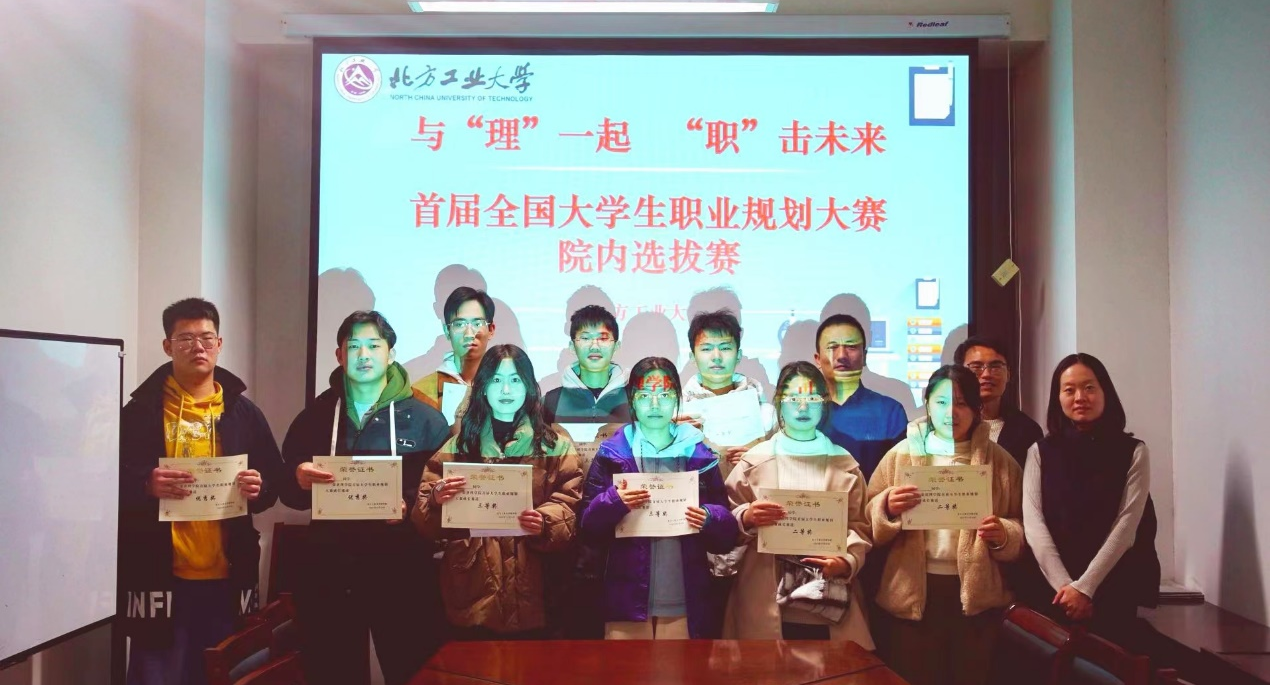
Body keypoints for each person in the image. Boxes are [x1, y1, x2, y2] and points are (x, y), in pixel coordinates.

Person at [119, 298, 285, 685]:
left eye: (207, 338)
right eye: (186, 339)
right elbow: (103, 483)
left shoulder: (243, 412)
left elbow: (274, 481)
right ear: (167, 346)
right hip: (160, 575)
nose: (198, 347)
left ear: (219, 344)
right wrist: (145, 483)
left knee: (225, 674)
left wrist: (259, 486)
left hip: (227, 575)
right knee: (156, 675)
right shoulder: (140, 413)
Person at [280, 311, 450, 685]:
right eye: (353, 346)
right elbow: (287, 489)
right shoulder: (316, 416)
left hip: (402, 566)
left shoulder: (426, 419)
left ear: (391, 353)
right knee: (333, 670)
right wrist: (298, 477)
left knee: (413, 668)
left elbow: (440, 492)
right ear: (339, 355)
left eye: (374, 345)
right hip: (330, 565)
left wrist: (409, 506)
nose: (363, 355)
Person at [866, 365, 1024, 685]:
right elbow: (867, 518)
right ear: (927, 404)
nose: (951, 412)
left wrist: (1004, 534)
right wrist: (887, 507)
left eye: (961, 403)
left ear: (977, 409)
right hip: (913, 591)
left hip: (977, 597)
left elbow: (1021, 522)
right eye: (941, 402)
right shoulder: (901, 456)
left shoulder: (1000, 461)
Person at [414, 344, 584, 639]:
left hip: (536, 588)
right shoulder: (460, 445)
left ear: (529, 386)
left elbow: (569, 502)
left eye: (515, 379)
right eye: (496, 380)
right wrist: (436, 498)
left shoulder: (555, 445)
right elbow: (424, 516)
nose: (506, 389)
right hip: (474, 588)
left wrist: (545, 522)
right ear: (482, 387)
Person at [579, 357, 739, 639]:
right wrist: (614, 501)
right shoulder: (612, 453)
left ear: (677, 398)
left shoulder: (698, 454)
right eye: (644, 396)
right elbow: (587, 528)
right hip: (626, 599)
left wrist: (709, 517)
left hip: (685, 599)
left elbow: (727, 537)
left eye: (664, 395)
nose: (655, 405)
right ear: (632, 399)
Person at [722, 362, 873, 647]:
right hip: (763, 596)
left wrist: (846, 561)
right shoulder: (754, 461)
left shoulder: (844, 463)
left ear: (824, 403)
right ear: (779, 402)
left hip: (829, 600)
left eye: (812, 398)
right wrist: (747, 517)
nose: (803, 407)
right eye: (794, 398)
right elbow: (725, 522)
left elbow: (860, 527)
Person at [1022, 353, 1160, 649]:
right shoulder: (1040, 451)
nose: (1079, 397)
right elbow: (1034, 526)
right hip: (1053, 592)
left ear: (1105, 392)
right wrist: (1066, 588)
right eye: (1069, 389)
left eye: (1089, 388)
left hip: (1112, 589)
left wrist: (1085, 588)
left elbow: (1126, 527)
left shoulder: (1134, 451)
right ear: (1057, 397)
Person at [676, 308, 776, 469]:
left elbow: (781, 465)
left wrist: (760, 458)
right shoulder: (679, 412)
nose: (716, 356)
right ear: (692, 357)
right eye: (706, 349)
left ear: (738, 355)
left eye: (725, 348)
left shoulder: (766, 414)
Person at [814, 314, 907, 480]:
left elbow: (901, 476)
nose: (841, 355)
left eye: (851, 347)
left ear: (864, 356)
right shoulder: (803, 411)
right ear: (818, 359)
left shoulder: (890, 412)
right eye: (832, 347)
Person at [412, 287, 497, 423]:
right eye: (459, 324)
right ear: (447, 331)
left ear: (491, 330)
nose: (469, 334)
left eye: (477, 323)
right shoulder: (422, 392)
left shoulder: (509, 385)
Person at [953, 336, 1043, 465]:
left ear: (1008, 374)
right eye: (976, 367)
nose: (986, 374)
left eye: (995, 367)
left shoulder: (1027, 430)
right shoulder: (946, 424)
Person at [542, 304, 630, 428]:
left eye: (603, 338)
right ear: (572, 346)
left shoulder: (634, 399)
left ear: (616, 346)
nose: (594, 346)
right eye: (585, 338)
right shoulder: (551, 402)